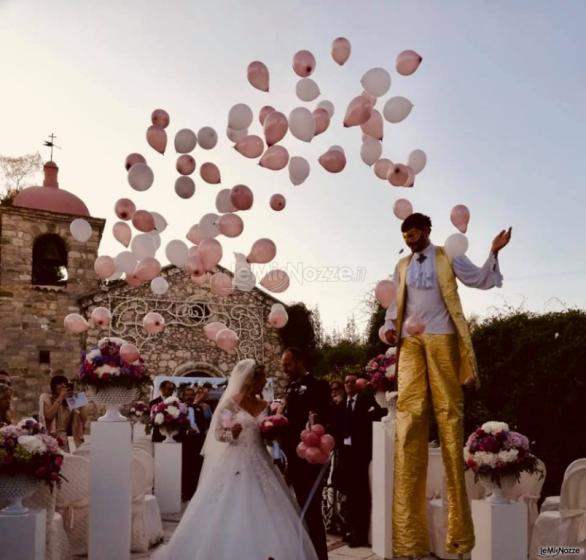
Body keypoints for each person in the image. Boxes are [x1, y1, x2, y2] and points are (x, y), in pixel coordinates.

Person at [383, 212, 511, 558]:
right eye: (405, 236)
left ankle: (459, 536)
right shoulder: (402, 267)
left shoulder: (447, 255)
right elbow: (395, 305)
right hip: (411, 342)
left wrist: (494, 252)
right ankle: (410, 540)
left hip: (442, 337)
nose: (410, 240)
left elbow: (479, 279)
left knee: (449, 418)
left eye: (414, 234)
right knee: (409, 422)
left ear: (427, 231)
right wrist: (389, 328)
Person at [152, 359, 318, 560]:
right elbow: (219, 434)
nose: (265, 383)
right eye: (263, 379)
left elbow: (266, 433)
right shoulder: (230, 404)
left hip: (261, 460)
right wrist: (233, 433)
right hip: (235, 461)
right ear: (252, 380)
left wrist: (273, 434)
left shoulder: (265, 405)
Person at [280, 347, 331, 560]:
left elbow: (325, 419)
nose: (285, 370)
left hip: (310, 459)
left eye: (288, 365)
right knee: (296, 510)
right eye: (283, 366)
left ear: (300, 362)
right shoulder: (289, 388)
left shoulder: (319, 386)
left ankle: (319, 556)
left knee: (311, 511)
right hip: (291, 457)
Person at [332, 374, 385, 547]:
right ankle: (350, 530)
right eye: (346, 382)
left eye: (352, 381)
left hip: (361, 455)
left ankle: (361, 535)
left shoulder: (366, 400)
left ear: (358, 385)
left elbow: (379, 414)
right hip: (346, 456)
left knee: (361, 496)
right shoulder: (342, 405)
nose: (348, 384)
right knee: (348, 497)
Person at [39, 374, 86, 452]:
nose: (63, 385)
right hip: (50, 437)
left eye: (65, 383)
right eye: (59, 383)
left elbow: (84, 419)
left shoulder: (70, 400)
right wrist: (61, 396)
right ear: (54, 386)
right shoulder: (46, 397)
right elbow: (49, 416)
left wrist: (78, 400)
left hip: (64, 438)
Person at [177, 386, 208, 501]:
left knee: (197, 467)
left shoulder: (198, 409)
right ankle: (186, 493)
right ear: (183, 396)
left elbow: (202, 425)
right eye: (187, 395)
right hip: (185, 441)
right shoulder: (178, 409)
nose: (189, 397)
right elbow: (177, 426)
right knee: (186, 467)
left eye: (191, 395)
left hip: (198, 441)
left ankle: (196, 493)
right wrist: (186, 430)